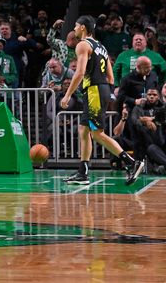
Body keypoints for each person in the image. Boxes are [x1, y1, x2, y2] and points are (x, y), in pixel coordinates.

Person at [60, 15, 144, 185]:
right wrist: (108, 91)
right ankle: (82, 173)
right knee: (83, 131)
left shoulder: (83, 44)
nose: (74, 29)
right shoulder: (101, 47)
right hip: (101, 89)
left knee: (97, 134)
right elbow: (111, 76)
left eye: (76, 26)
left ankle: (131, 162)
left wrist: (67, 94)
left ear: (83, 27)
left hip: (94, 91)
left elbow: (80, 72)